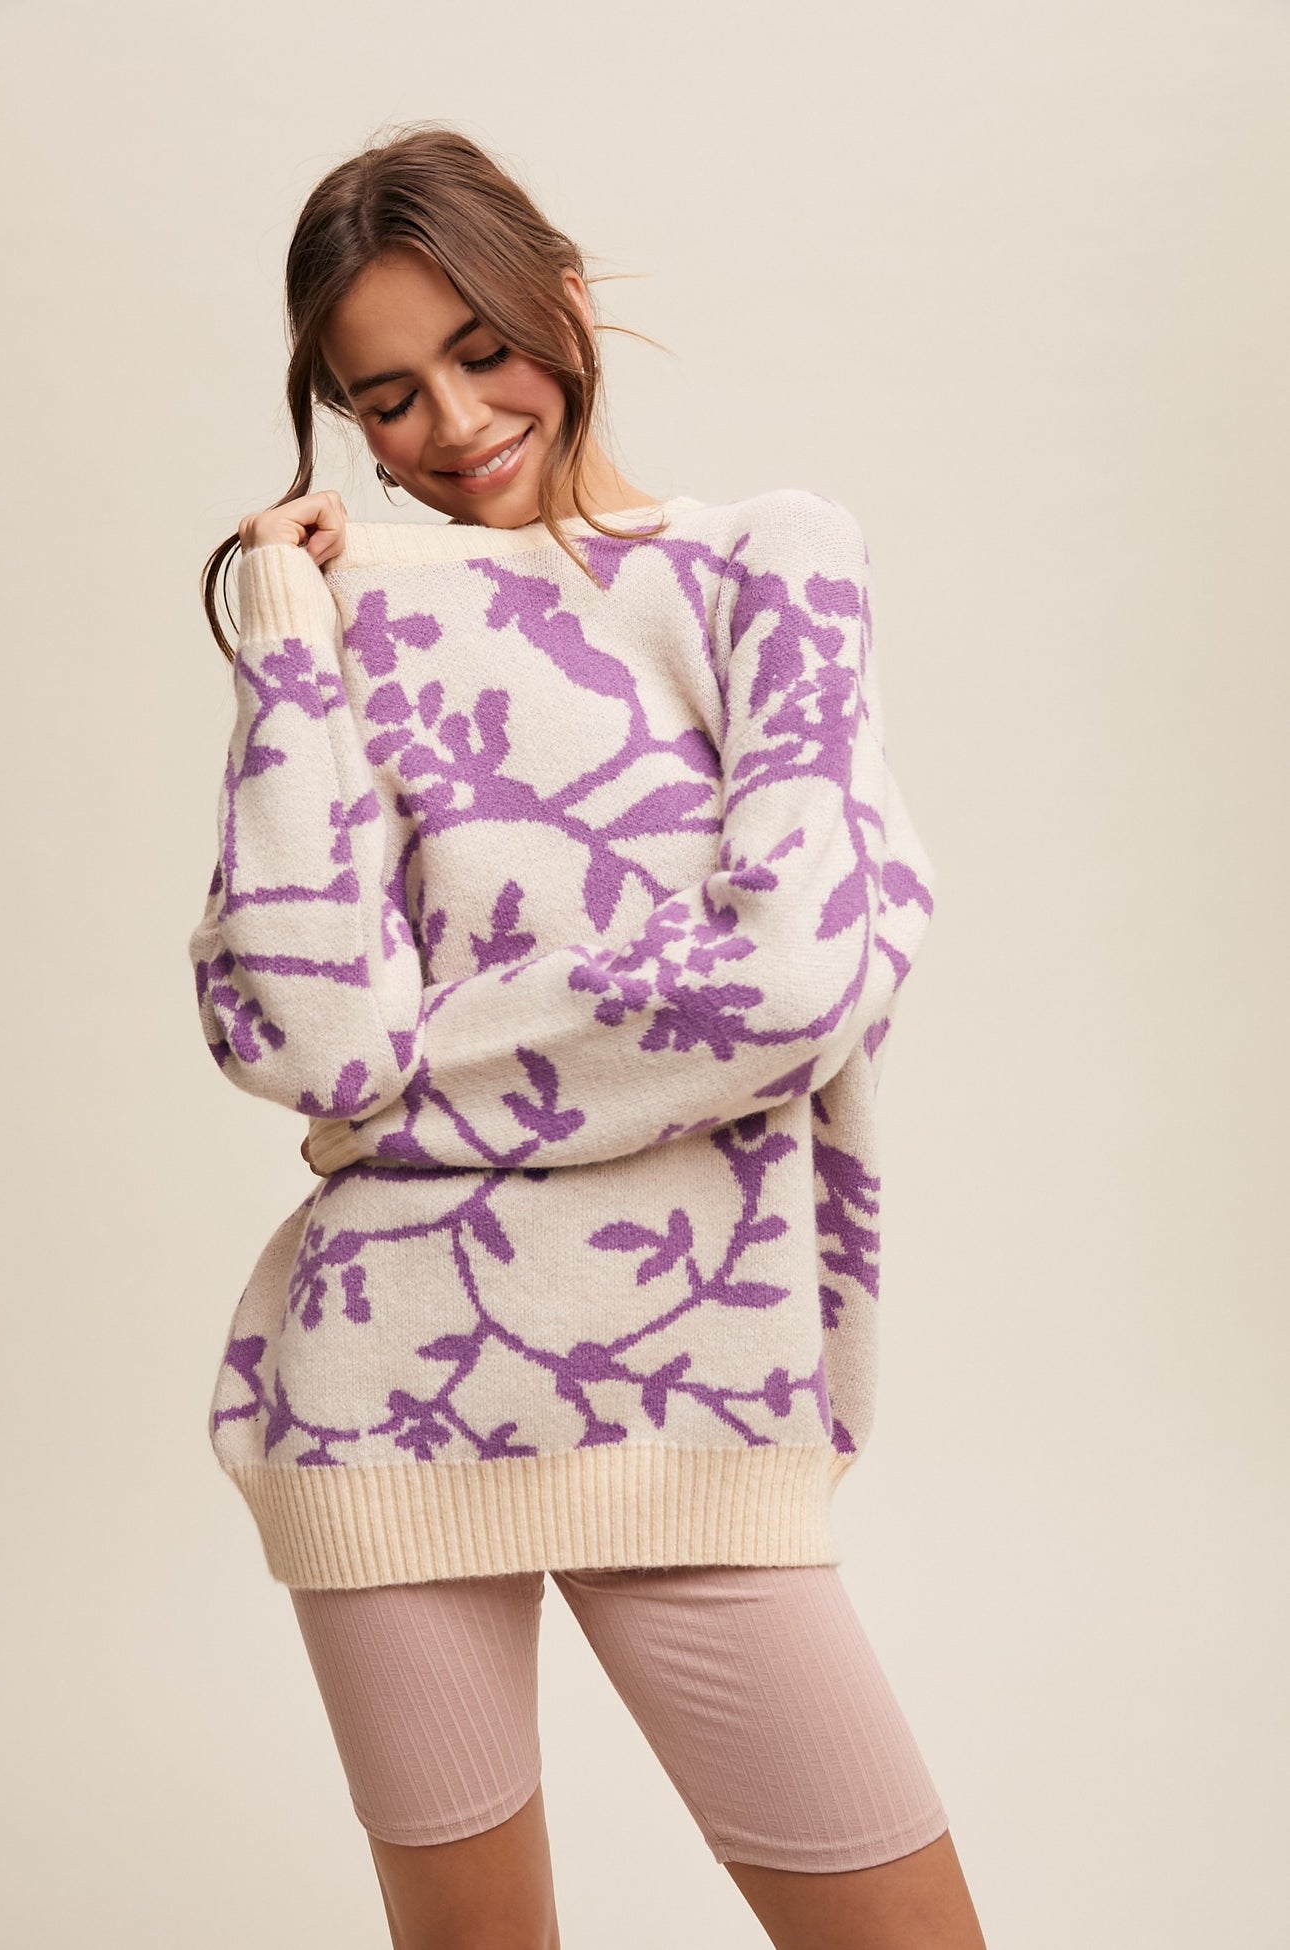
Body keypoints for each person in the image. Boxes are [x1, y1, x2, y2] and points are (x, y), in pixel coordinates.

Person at [189, 121, 988, 1950]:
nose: (454, 424)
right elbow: (306, 1033)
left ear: (562, 295)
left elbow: (798, 975)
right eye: (387, 397)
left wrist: (410, 1089)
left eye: (482, 351)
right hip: (380, 1393)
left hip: (704, 1386)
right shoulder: (349, 620)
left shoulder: (765, 565)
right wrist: (286, 634)